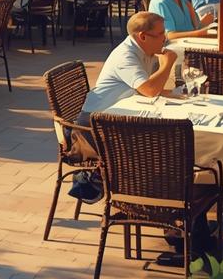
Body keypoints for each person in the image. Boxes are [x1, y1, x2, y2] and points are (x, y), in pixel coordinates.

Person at [69, 12, 179, 209]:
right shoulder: (126, 55)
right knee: (162, 149)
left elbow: (149, 88)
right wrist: (168, 63)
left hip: (115, 118)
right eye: (161, 33)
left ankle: (160, 203)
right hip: (93, 126)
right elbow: (150, 90)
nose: (166, 38)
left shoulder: (145, 51)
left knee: (166, 145)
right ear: (143, 37)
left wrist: (180, 94)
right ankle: (148, 205)